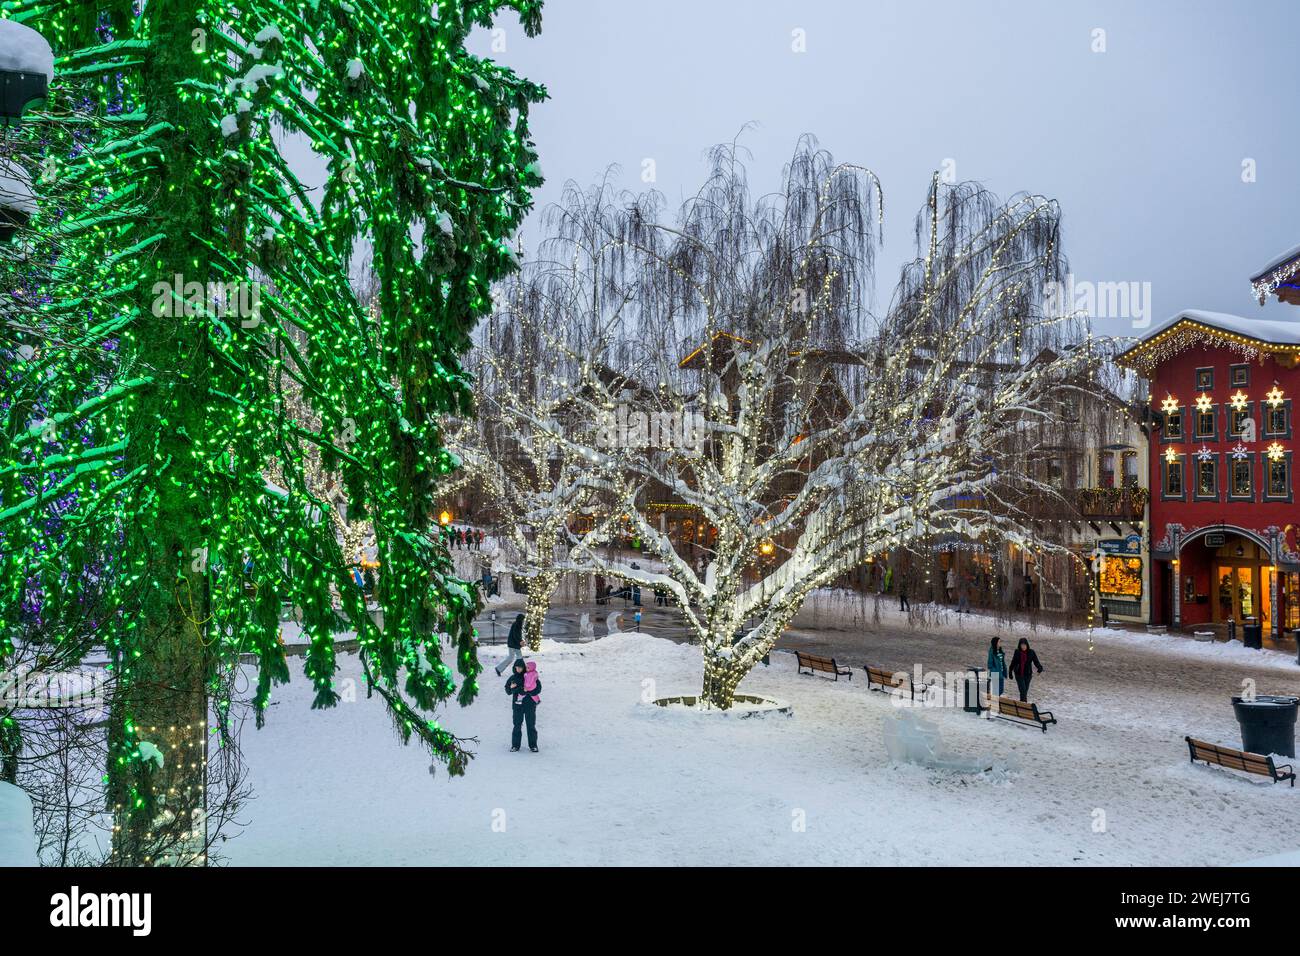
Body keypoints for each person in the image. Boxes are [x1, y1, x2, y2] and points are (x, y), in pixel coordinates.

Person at [504, 658, 540, 752]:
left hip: (530, 705)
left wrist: (529, 691)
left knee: (531, 725)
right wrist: (514, 689)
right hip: (517, 706)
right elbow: (508, 691)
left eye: (520, 667)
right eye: (516, 668)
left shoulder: (530, 675)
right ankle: (515, 745)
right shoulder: (512, 678)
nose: (518, 669)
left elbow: (538, 688)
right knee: (517, 725)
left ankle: (533, 745)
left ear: (524, 667)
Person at [1008, 637, 1043, 702]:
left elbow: (1036, 661)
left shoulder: (1031, 652)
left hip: (1028, 674)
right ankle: (1024, 705)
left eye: (1024, 645)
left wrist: (1040, 668)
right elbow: (1013, 662)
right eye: (1021, 645)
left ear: (1027, 645)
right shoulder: (1017, 652)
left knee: (1024, 691)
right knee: (1023, 690)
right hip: (1019, 674)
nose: (1023, 647)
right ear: (1019, 645)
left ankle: (1022, 704)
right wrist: (1010, 671)